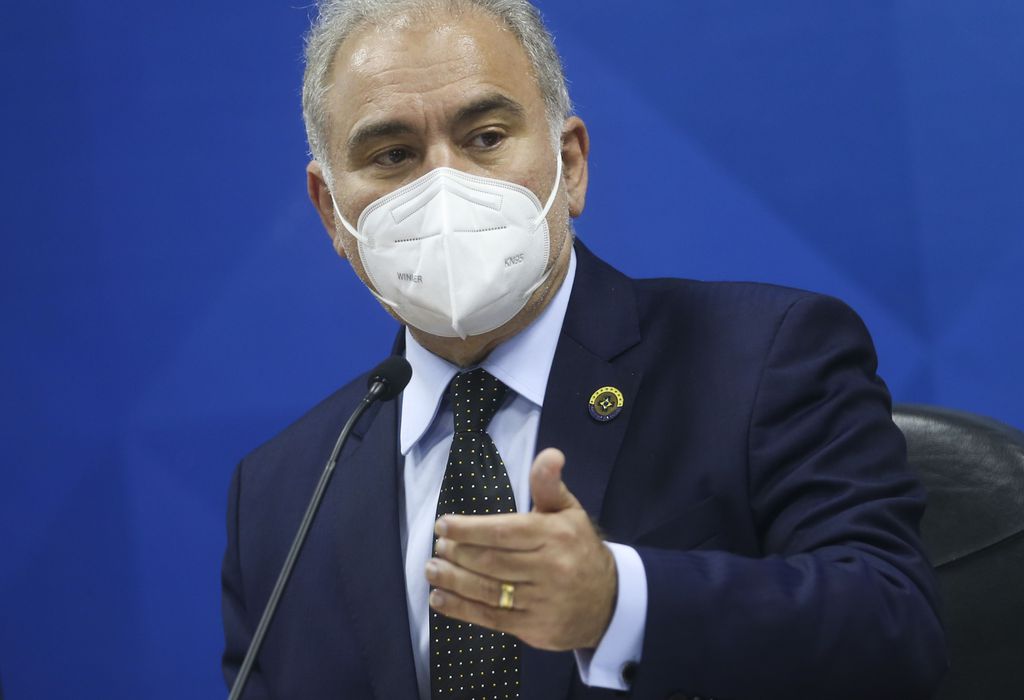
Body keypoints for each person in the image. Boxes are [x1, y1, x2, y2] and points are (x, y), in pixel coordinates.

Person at [221, 1, 948, 698]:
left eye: (486, 138)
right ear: (332, 213)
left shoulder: (763, 359)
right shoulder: (281, 496)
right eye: (393, 155)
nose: (444, 186)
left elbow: (894, 632)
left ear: (569, 164)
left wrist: (617, 603)